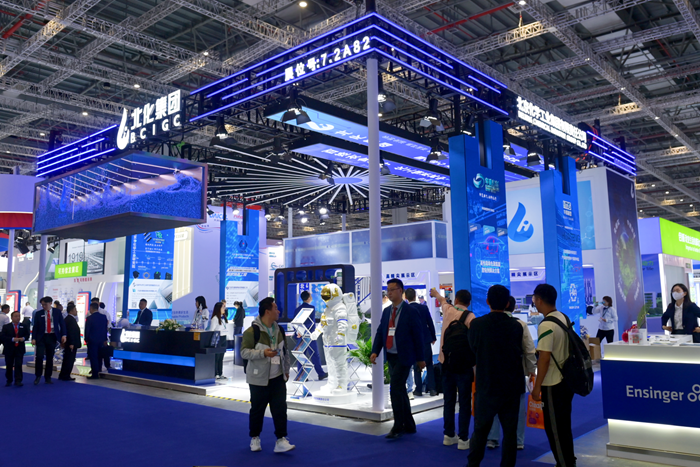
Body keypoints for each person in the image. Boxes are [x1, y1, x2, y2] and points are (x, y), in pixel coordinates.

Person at [468, 285, 525, 467]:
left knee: (480, 430)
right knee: (510, 432)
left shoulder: (477, 325)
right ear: (508, 303)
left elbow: (473, 349)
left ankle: (473, 464)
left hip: (487, 384)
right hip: (511, 385)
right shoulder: (516, 326)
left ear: (487, 301)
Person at [370, 278, 425, 439]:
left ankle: (398, 425)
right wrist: (375, 351)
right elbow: (381, 332)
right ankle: (409, 424)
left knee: (395, 388)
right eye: (388, 290)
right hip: (391, 355)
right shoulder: (387, 311)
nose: (389, 293)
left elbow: (418, 336)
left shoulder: (410, 311)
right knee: (400, 389)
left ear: (400, 291)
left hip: (405, 356)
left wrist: (420, 358)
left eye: (392, 290)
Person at [241, 297, 294, 453]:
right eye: (275, 308)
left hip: (278, 377)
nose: (278, 311)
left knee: (280, 409)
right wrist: (262, 353)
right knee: (257, 410)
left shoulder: (280, 330)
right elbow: (244, 352)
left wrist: (286, 370)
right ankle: (255, 438)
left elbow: (285, 352)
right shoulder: (252, 331)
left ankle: (281, 439)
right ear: (267, 311)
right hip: (258, 379)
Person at [531, 283, 577, 467]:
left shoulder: (546, 325)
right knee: (564, 425)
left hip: (552, 383)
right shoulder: (563, 317)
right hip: (566, 380)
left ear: (539, 300)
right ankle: (568, 460)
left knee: (555, 429)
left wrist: (537, 387)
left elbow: (544, 358)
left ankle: (564, 463)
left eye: (534, 299)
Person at [487, 296, 537, 450]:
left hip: (492, 372)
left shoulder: (486, 323)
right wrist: (531, 370)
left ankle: (492, 438)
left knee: (494, 406)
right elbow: (529, 349)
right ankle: (517, 440)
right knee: (518, 407)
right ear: (512, 307)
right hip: (515, 372)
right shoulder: (520, 324)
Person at [432, 287, 474, 450]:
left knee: (448, 400)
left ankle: (448, 435)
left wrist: (435, 293)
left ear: (456, 300)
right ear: (469, 302)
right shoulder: (470, 317)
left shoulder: (448, 310)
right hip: (464, 366)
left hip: (446, 364)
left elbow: (442, 300)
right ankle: (463, 439)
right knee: (464, 402)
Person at [406, 287, 436, 397]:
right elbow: (430, 323)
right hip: (425, 339)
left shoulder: (406, 309)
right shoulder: (424, 308)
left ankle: (418, 389)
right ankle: (432, 389)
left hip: (413, 341)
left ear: (406, 297)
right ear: (415, 296)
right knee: (429, 365)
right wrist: (433, 337)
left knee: (416, 365)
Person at [293, 291, 327, 381]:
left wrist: (298, 332)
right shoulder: (311, 308)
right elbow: (310, 323)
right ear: (308, 298)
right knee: (314, 354)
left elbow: (294, 322)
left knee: (301, 355)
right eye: (310, 296)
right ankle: (320, 374)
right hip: (309, 335)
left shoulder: (297, 309)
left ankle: (302, 376)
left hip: (300, 335)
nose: (311, 297)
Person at [31, 296, 67, 385]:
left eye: (45, 304)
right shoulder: (38, 313)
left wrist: (64, 335)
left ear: (50, 303)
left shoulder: (57, 312)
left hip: (52, 336)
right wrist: (33, 338)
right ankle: (38, 376)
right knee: (39, 356)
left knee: (49, 357)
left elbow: (62, 324)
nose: (44, 306)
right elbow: (35, 327)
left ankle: (48, 377)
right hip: (41, 337)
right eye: (42, 305)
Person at [2, 311, 29, 387]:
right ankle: (9, 380)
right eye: (16, 316)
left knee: (18, 365)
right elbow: (3, 337)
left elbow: (27, 335)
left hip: (19, 348)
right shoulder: (6, 327)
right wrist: (13, 339)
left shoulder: (23, 326)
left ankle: (18, 380)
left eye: (19, 316)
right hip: (9, 348)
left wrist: (23, 338)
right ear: (12, 317)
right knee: (9, 365)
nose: (18, 318)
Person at [85, 302, 109, 380]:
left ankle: (95, 373)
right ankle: (99, 370)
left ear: (91, 309)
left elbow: (87, 330)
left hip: (92, 340)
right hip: (101, 340)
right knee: (99, 356)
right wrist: (105, 339)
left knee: (93, 357)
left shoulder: (90, 318)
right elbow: (105, 329)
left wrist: (86, 339)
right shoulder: (103, 317)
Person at [59, 303, 81, 381]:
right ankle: (66, 375)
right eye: (75, 310)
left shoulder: (68, 319)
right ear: (71, 311)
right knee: (69, 359)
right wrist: (72, 343)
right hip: (71, 343)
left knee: (67, 359)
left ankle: (63, 374)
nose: (76, 311)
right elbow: (71, 332)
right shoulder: (70, 320)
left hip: (69, 343)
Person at [208, 302, 228, 380]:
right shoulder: (215, 318)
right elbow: (212, 330)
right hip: (218, 338)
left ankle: (220, 373)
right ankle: (215, 373)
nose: (224, 309)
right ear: (218, 308)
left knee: (221, 357)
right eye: (223, 307)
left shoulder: (223, 317)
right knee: (217, 357)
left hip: (224, 338)